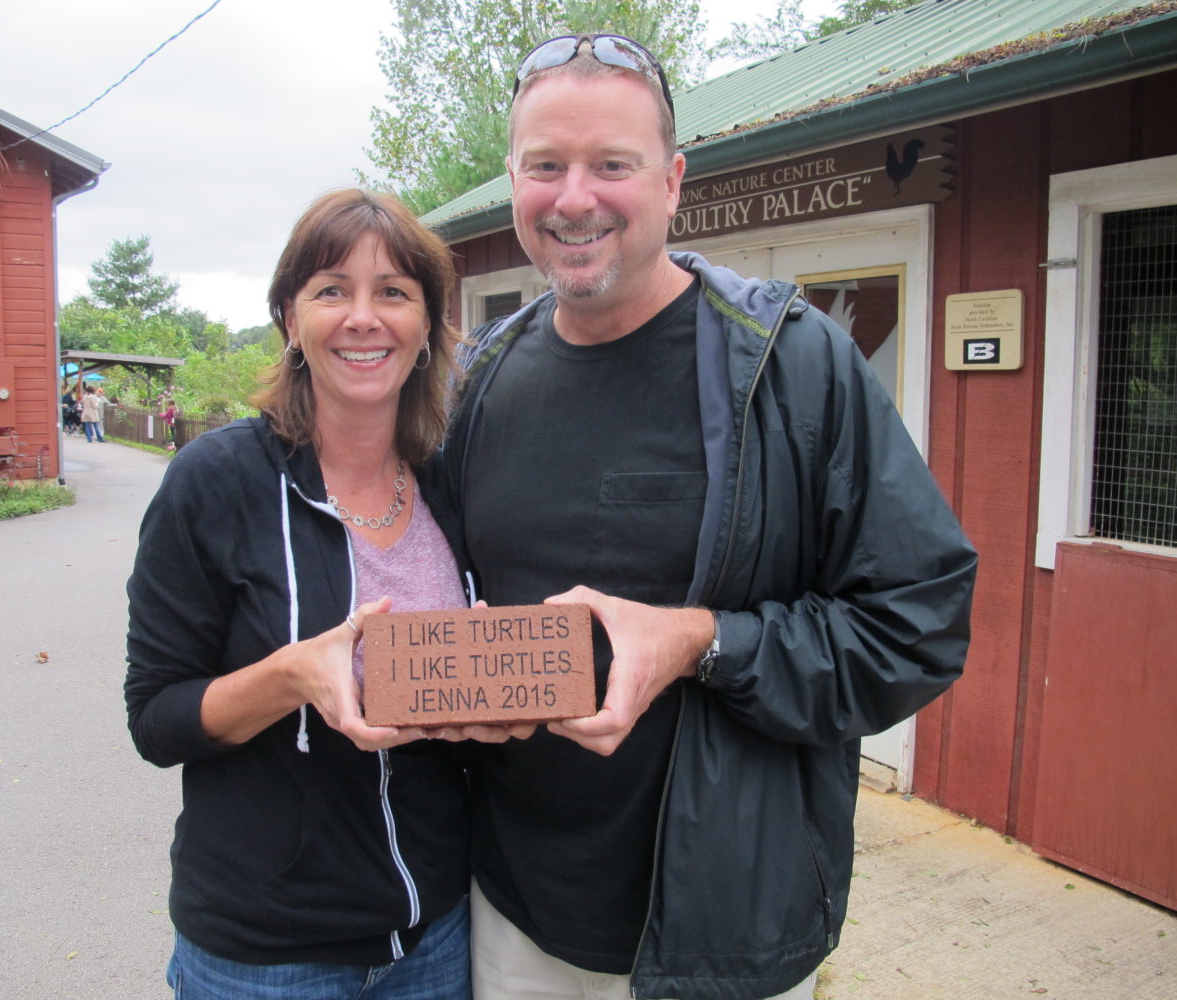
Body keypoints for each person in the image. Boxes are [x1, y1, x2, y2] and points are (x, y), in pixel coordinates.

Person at [442, 35, 978, 1000]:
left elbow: (919, 623)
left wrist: (702, 641)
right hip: (510, 915)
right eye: (544, 166)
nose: (574, 198)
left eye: (612, 164)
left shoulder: (791, 363)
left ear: (672, 180)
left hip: (724, 926)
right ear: (512, 180)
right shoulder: (477, 379)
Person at [126, 188, 512, 999]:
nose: (362, 317)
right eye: (332, 289)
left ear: (427, 326)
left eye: (393, 293)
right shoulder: (216, 482)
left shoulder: (449, 481)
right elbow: (156, 719)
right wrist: (292, 677)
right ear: (289, 317)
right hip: (264, 956)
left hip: (434, 933)